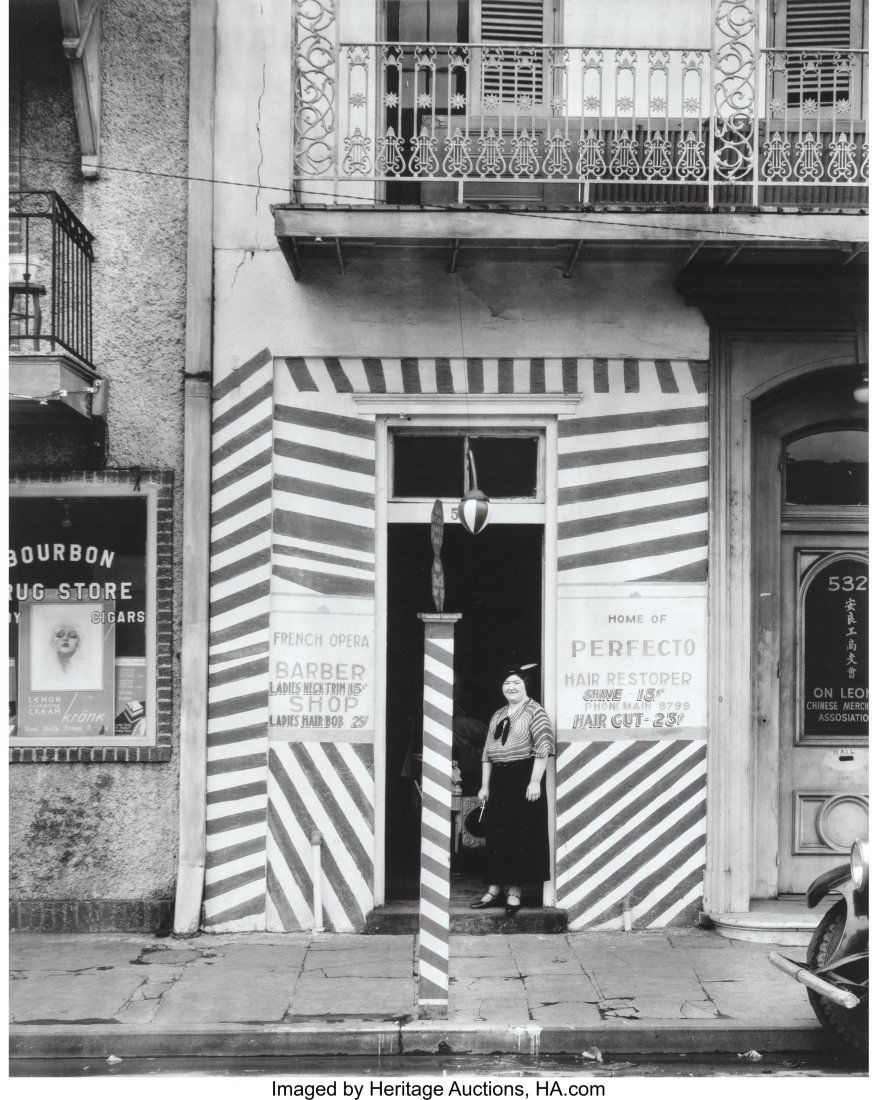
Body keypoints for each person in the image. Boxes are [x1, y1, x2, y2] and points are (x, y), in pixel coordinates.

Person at [470, 660, 554, 917]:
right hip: (499, 780)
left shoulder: (535, 711)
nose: (511, 687)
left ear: (526, 685)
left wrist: (534, 781)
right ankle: (494, 890)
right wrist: (485, 786)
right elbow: (487, 752)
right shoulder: (498, 714)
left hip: (523, 778)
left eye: (516, 682)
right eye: (507, 683)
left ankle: (514, 892)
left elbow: (543, 747)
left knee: (518, 836)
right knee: (497, 834)